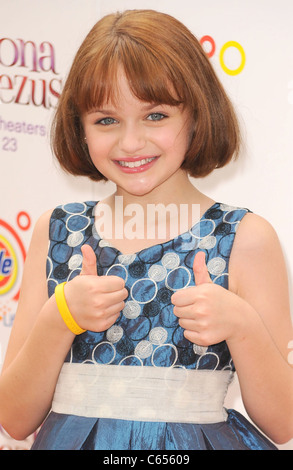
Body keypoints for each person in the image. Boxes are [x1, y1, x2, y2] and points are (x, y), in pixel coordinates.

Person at [0, 9, 292, 451]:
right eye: (106, 120)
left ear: (196, 115)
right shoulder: (58, 230)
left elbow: (285, 424)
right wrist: (60, 318)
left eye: (155, 116)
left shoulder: (246, 237)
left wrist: (241, 324)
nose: (130, 142)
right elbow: (14, 420)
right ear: (79, 128)